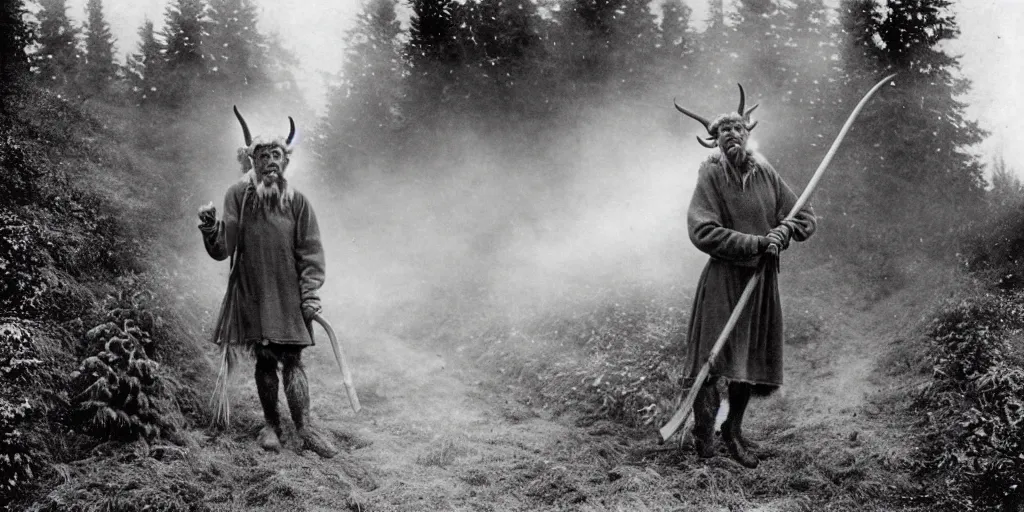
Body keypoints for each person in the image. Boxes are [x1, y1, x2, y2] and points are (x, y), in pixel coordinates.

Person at [674, 85, 816, 468]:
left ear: (747, 134)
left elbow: (805, 217)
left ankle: (732, 433)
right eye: (724, 132)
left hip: (761, 284)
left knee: (747, 365)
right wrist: (755, 242)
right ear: (714, 141)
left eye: (738, 129)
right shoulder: (711, 176)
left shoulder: (767, 174)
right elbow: (702, 231)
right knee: (712, 364)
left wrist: (783, 233)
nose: (732, 135)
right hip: (724, 282)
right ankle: (705, 443)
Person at [198, 107, 338, 458]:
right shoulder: (238, 196)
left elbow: (311, 252)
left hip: (290, 296)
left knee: (293, 360)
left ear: (284, 161)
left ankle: (304, 427)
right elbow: (224, 248)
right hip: (255, 293)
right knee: (264, 360)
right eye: (263, 156)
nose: (270, 161)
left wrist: (310, 294)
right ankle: (272, 425)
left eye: (276, 155)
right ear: (252, 162)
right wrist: (210, 226)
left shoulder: (298, 203)